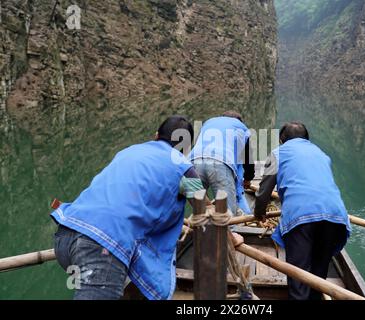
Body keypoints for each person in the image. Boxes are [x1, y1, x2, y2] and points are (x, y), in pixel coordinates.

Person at [51, 116, 205, 300]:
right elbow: (205, 209)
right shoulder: (184, 167)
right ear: (187, 149)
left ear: (156, 136)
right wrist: (232, 236)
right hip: (103, 246)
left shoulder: (130, 150)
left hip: (66, 234)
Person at [254, 121, 351, 300]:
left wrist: (259, 213)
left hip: (300, 214)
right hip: (335, 213)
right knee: (318, 273)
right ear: (307, 138)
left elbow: (264, 190)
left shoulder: (278, 153)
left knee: (298, 274)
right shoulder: (322, 154)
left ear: (282, 140)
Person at [190, 111, 255, 216]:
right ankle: (231, 230)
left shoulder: (208, 123)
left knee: (199, 208)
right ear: (239, 121)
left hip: (193, 161)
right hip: (220, 162)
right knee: (227, 212)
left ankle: (200, 229)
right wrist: (248, 179)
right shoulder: (241, 128)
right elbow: (248, 159)